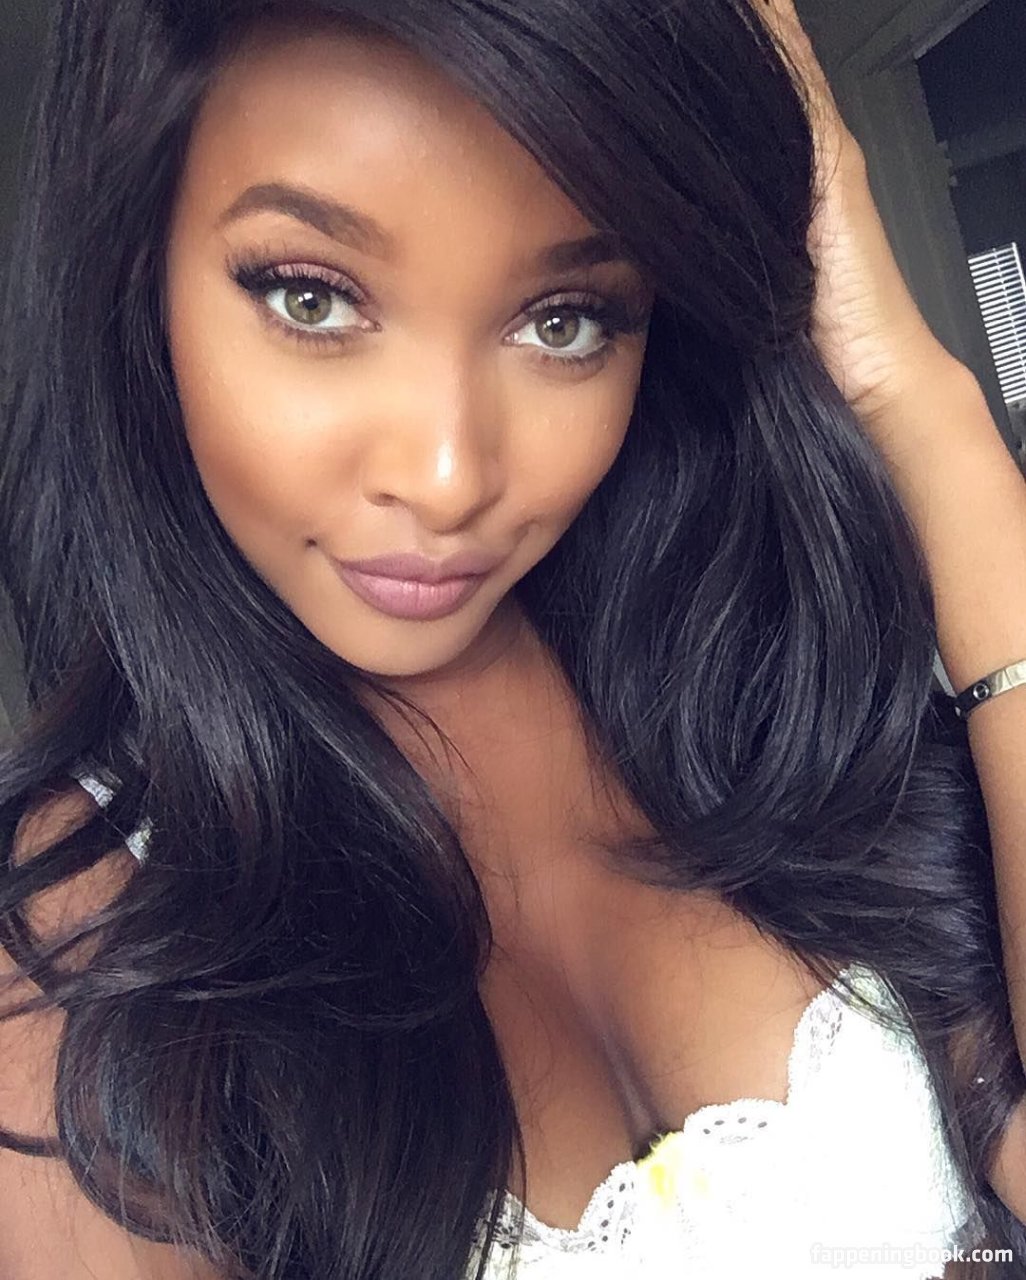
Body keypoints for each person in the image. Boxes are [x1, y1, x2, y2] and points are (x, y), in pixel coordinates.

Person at [1, 0, 1026, 1276]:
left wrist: (915, 401)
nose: (449, 476)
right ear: (136, 278)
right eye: (313, 298)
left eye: (564, 318)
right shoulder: (77, 964)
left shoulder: (750, 678)